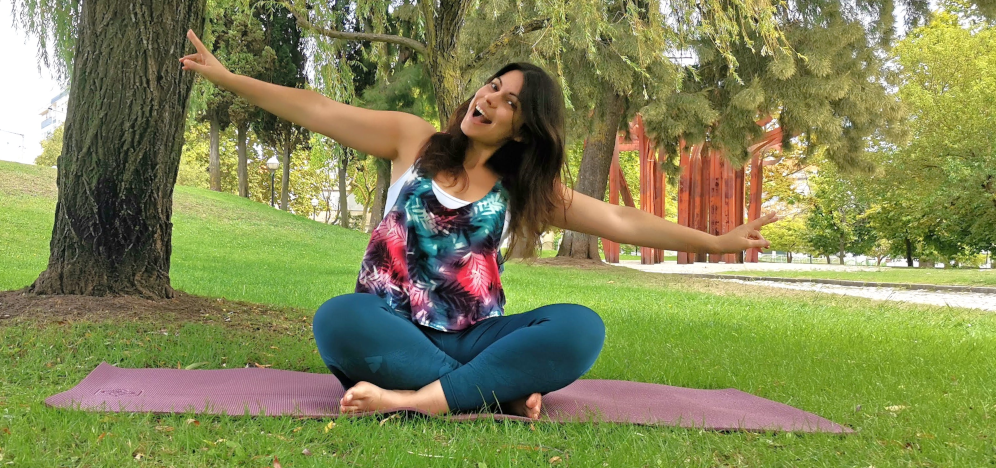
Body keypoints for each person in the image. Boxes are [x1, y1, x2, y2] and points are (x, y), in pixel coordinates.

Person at [180, 29, 776, 420]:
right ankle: (492, 393)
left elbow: (620, 218)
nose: (489, 99)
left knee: (580, 327)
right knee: (339, 317)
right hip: (390, 328)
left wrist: (715, 242)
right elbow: (320, 108)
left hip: (473, 333)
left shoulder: (526, 191)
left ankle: (417, 401)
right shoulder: (412, 140)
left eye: (509, 101)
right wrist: (230, 80)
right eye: (493, 87)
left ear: (523, 129)